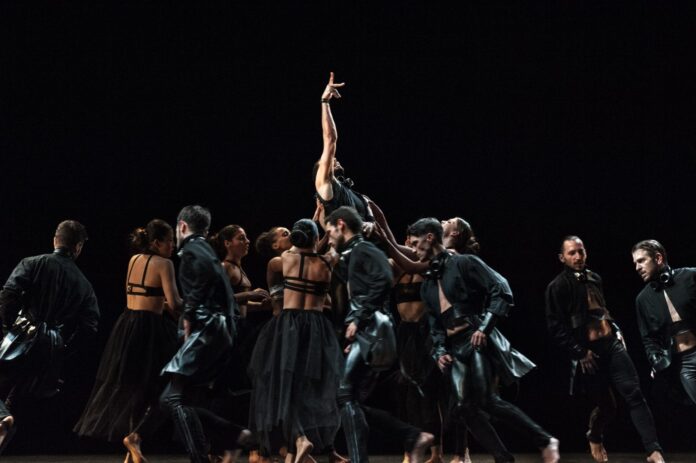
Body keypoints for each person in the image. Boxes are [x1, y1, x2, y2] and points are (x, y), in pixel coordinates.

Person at [406, 218, 558, 463]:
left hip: (475, 339)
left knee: (488, 400)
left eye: (415, 243)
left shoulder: (463, 262)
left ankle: (545, 440)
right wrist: (440, 351)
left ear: (430, 238)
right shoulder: (427, 284)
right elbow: (435, 325)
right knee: (463, 408)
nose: (413, 249)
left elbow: (501, 288)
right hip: (455, 348)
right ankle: (503, 458)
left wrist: (485, 328)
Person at [325, 206, 434, 463]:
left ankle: (409, 437)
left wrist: (359, 319)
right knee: (350, 400)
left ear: (341, 224)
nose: (328, 237)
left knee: (345, 395)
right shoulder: (355, 253)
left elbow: (383, 280)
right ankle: (410, 436)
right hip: (367, 329)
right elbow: (358, 290)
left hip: (373, 328)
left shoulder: (365, 249)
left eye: (329, 231)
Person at [546, 236, 664, 463]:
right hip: (589, 354)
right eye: (572, 253)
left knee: (635, 394)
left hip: (612, 345)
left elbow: (601, 309)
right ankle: (595, 434)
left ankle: (653, 451)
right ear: (562, 257)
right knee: (608, 406)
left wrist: (616, 330)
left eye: (581, 251)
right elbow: (555, 328)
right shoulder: (557, 287)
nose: (578, 256)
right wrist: (579, 352)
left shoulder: (595, 278)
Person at [74, 219, 183, 463]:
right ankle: (136, 437)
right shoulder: (164, 264)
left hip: (128, 326)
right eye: (170, 241)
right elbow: (175, 302)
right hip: (151, 330)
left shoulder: (134, 260)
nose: (173, 246)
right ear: (156, 243)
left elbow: (144, 294)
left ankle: (131, 452)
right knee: (169, 389)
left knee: (136, 390)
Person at [0, 220, 99, 454]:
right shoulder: (84, 284)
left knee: (6, 402)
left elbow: (8, 295)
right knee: (14, 400)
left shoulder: (33, 263)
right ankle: (4, 423)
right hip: (51, 349)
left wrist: (7, 329)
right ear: (78, 247)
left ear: (55, 240)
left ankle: (3, 418)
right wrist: (64, 350)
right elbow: (89, 327)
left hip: (22, 336)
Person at [249, 219, 343, 463]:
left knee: (284, 388)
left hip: (289, 325)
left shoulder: (285, 259)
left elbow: (298, 249)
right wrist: (329, 229)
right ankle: (296, 447)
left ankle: (299, 441)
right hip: (316, 326)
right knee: (304, 389)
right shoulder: (328, 261)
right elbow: (332, 245)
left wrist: (313, 230)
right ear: (315, 239)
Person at [159, 205, 245, 463]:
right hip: (219, 329)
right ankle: (236, 435)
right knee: (177, 398)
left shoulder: (193, 249)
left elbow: (205, 275)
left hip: (208, 328)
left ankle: (222, 444)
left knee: (173, 398)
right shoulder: (205, 248)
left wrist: (189, 313)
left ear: (182, 226)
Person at [633, 239, 696, 406]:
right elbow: (648, 339)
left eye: (641, 261)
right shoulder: (642, 300)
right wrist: (655, 360)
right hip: (684, 364)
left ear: (658, 258)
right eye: (635, 263)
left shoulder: (691, 276)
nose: (637, 267)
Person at [313, 73, 373, 223]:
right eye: (329, 161)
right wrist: (325, 101)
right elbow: (330, 139)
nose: (334, 160)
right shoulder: (325, 184)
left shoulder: (357, 196)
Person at [255, 226, 293, 316]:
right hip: (282, 319)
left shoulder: (297, 258)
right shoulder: (275, 262)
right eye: (285, 234)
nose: (291, 235)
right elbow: (301, 263)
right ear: (275, 245)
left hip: (295, 316)